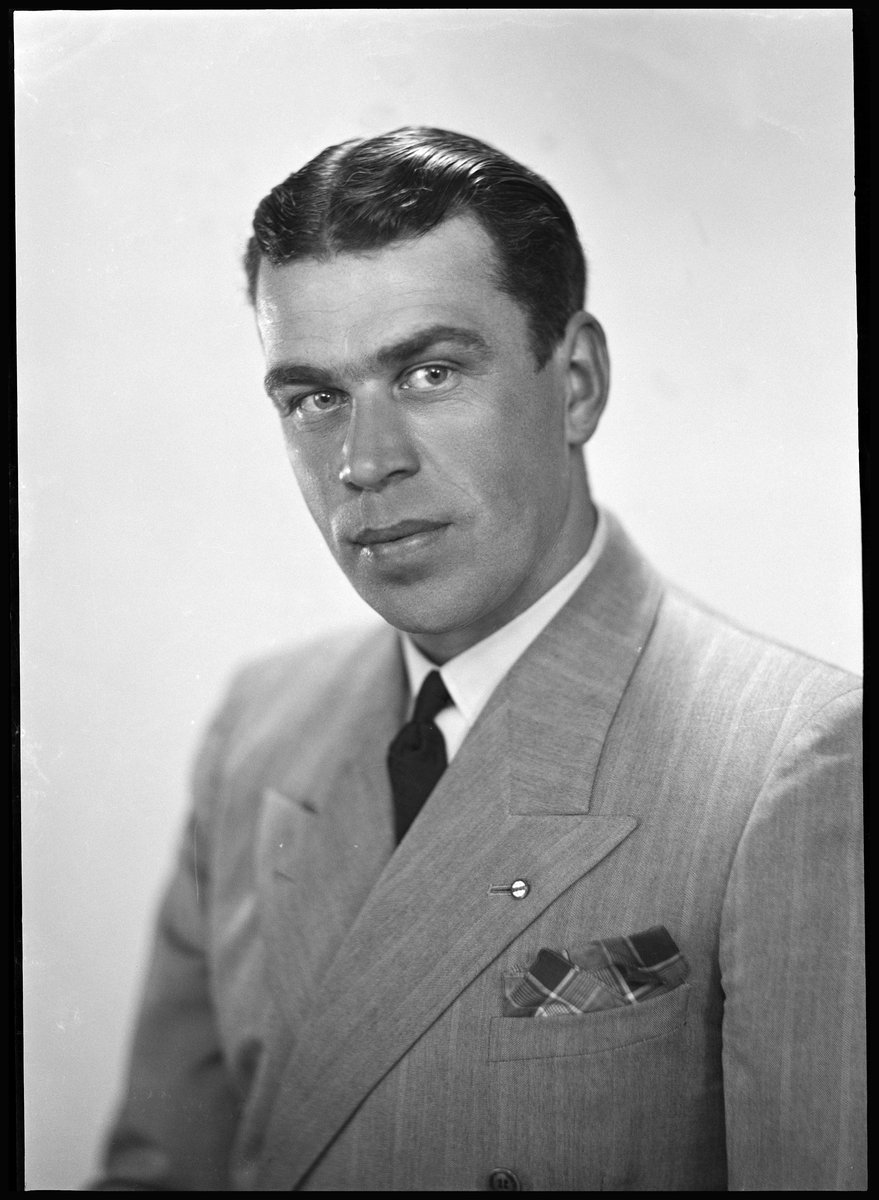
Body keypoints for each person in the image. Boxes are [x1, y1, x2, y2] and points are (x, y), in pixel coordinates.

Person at [93, 127, 864, 1192]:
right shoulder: (259, 730)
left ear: (577, 382)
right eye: (316, 398)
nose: (365, 462)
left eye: (430, 372)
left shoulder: (792, 761)